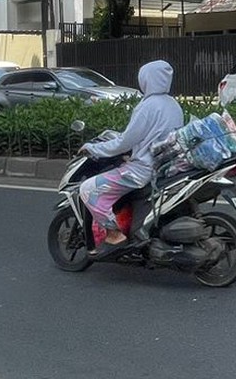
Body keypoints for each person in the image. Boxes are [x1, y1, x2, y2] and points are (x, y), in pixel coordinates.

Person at [75, 60, 183, 250]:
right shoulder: (173, 104)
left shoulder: (147, 106)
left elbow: (125, 141)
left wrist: (94, 149)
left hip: (141, 171)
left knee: (87, 189)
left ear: (147, 80)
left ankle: (114, 234)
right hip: (163, 166)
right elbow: (154, 137)